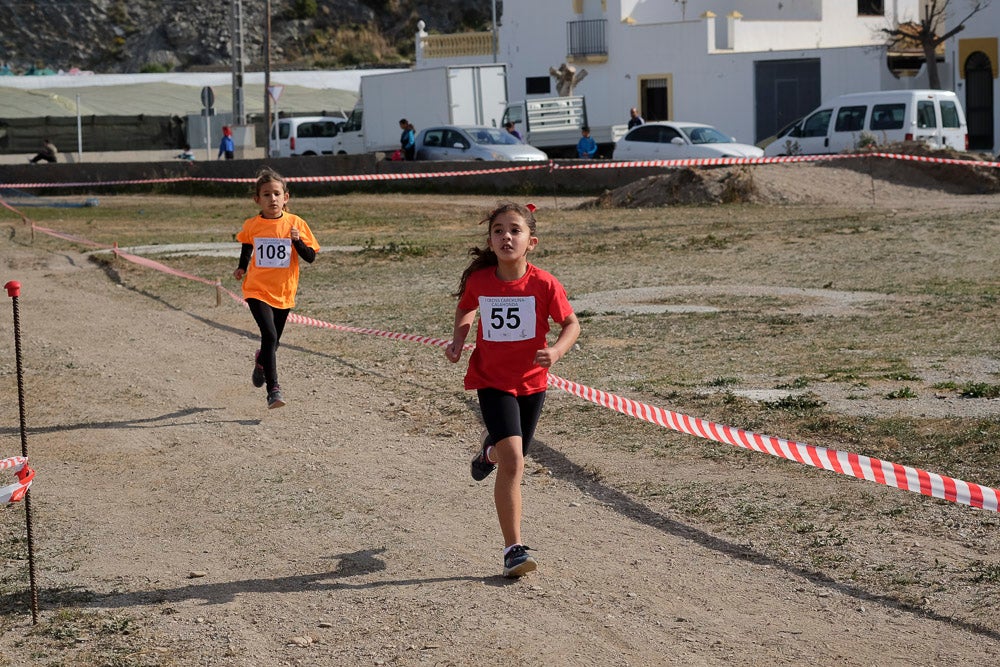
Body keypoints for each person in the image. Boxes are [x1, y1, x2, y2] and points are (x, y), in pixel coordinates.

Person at [445, 201, 580, 578]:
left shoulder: (544, 283)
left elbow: (571, 324)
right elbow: (465, 308)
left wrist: (555, 351)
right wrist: (459, 340)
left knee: (509, 453)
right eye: (499, 230)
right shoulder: (481, 281)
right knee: (515, 463)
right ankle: (513, 550)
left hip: (532, 383)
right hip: (491, 380)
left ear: (531, 242)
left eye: (515, 230)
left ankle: (488, 452)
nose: (507, 236)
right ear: (490, 241)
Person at [232, 167, 320, 409]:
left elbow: (310, 257)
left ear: (286, 197)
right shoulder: (252, 224)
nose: (272, 199)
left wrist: (297, 240)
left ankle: (261, 362)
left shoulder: (296, 224)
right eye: (267, 194)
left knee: (274, 342)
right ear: (257, 199)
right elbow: (247, 245)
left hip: (284, 292)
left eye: (277, 194)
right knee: (269, 335)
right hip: (257, 289)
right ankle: (274, 390)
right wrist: (242, 267)